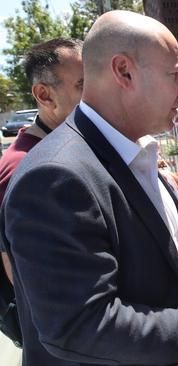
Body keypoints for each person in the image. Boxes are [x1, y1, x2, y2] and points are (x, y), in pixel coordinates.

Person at [0, 10, 178, 366]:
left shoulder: (130, 151)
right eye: (174, 74)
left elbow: (134, 267)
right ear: (124, 72)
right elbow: (78, 326)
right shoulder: (56, 177)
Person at [0, 38, 83, 348]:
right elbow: (21, 274)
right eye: (83, 86)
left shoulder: (55, 147)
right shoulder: (27, 168)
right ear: (44, 94)